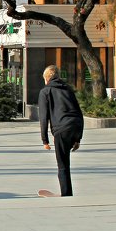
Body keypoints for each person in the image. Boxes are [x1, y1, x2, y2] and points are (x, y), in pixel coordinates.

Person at [38, 65, 84, 197]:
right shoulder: (68, 89)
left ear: (46, 79)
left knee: (62, 163)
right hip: (75, 125)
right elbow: (79, 112)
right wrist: (78, 138)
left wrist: (44, 140)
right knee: (65, 159)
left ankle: (66, 193)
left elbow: (43, 117)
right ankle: (67, 191)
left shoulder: (45, 92)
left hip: (61, 129)